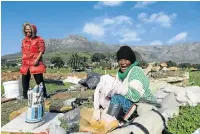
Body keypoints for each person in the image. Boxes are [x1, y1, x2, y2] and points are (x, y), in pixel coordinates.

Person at [107, 45, 158, 122]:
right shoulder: (120, 73)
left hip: (143, 106)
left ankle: (109, 124)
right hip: (133, 103)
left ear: (131, 61)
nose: (123, 63)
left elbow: (136, 97)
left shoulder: (135, 71)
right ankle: (116, 120)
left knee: (116, 98)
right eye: (120, 60)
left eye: (126, 60)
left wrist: (120, 90)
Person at [20, 22, 49, 99]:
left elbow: (41, 50)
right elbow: (22, 50)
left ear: (33, 30)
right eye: (26, 29)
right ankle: (25, 96)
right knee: (25, 79)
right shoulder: (24, 40)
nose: (27, 31)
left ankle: (43, 95)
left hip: (35, 61)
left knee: (39, 80)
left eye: (29, 29)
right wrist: (23, 59)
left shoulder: (39, 39)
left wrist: (37, 59)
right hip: (26, 62)